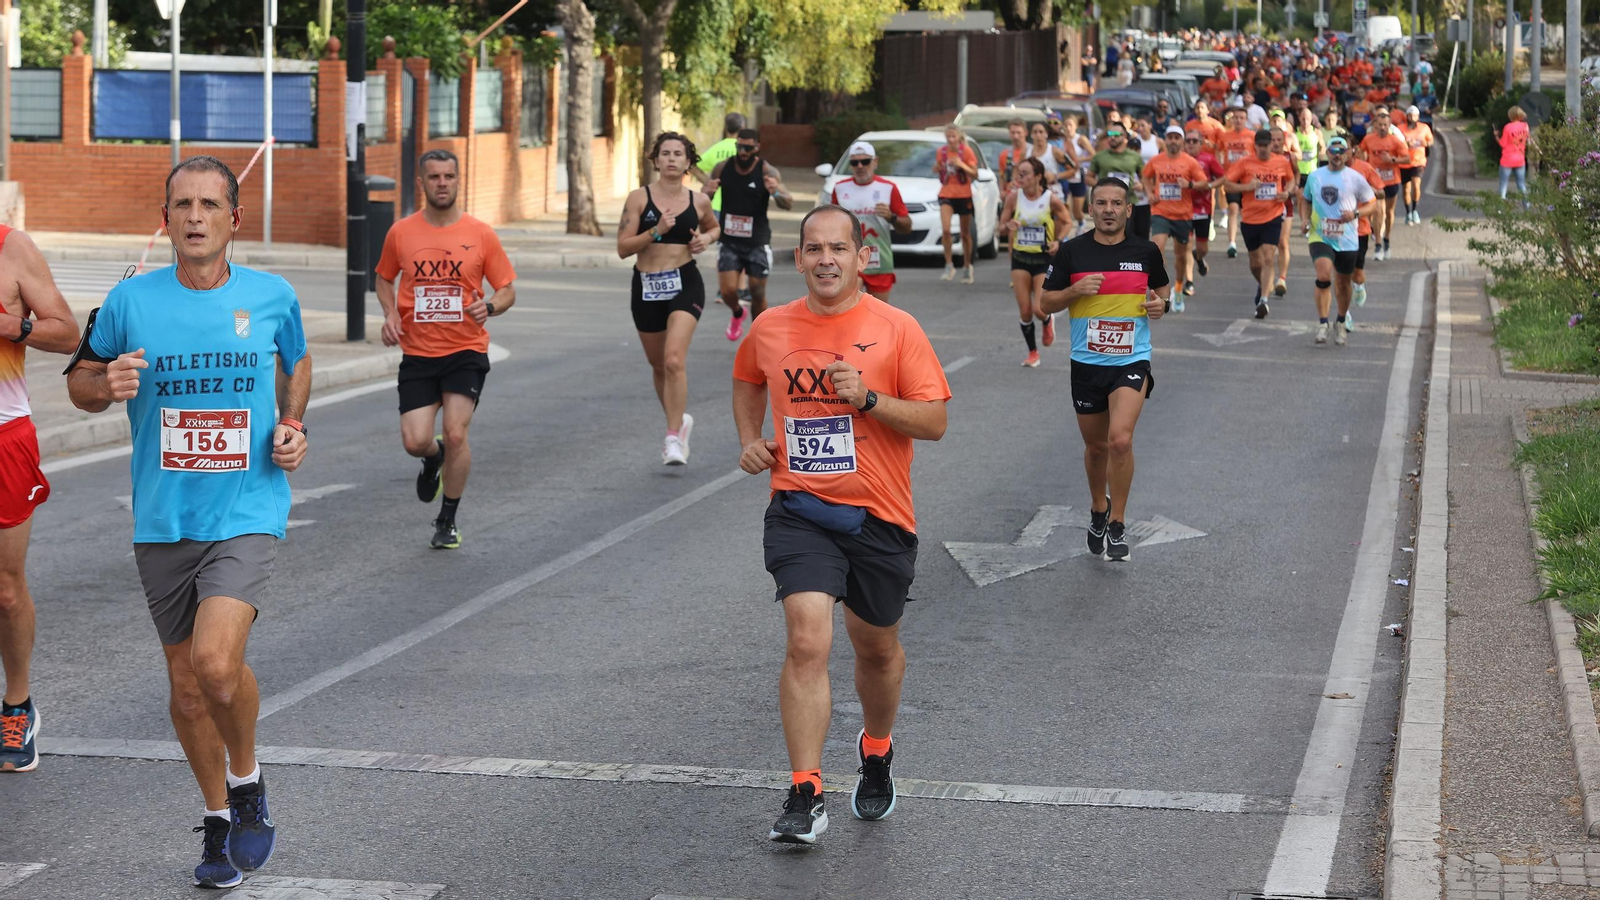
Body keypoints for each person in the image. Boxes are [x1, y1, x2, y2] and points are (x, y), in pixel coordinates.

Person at [65, 155, 309, 888]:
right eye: (182, 205)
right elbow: (79, 381)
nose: (195, 217)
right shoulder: (129, 300)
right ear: (165, 219)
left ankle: (248, 783)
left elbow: (295, 361)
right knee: (187, 686)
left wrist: (293, 423)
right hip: (164, 517)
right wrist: (104, 383)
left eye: (209, 205)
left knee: (215, 665)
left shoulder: (272, 295)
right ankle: (216, 819)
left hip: (247, 507)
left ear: (235, 218)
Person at [734, 204, 950, 846]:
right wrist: (750, 438)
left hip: (880, 515)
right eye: (813, 249)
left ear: (862, 257)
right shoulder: (771, 327)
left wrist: (870, 400)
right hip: (799, 508)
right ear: (799, 259)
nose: (825, 260)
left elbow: (935, 421)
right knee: (807, 641)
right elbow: (747, 379)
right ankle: (806, 792)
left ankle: (877, 749)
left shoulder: (896, 328)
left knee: (876, 649)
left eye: (838, 248)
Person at [375, 149, 516, 549]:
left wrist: (490, 306)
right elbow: (384, 278)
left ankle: (447, 519)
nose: (442, 183)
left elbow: (507, 289)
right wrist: (390, 314)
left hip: (465, 350)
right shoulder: (401, 232)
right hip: (419, 353)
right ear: (421, 183)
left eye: (449, 176)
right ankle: (432, 457)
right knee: (415, 441)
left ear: (458, 180)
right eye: (434, 177)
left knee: (456, 433)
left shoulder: (480, 234)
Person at [1038, 179, 1170, 563]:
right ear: (1090, 209)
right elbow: (1045, 303)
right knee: (1096, 448)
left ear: (1129, 210)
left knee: (1120, 441)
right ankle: (1099, 507)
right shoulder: (1072, 252)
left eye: (1116, 203)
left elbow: (1163, 291)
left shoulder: (1146, 251)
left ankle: (1118, 521)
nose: (1108, 209)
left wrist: (1162, 305)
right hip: (1086, 364)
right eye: (1101, 203)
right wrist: (1073, 292)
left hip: (1131, 360)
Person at [0, 228, 81, 775]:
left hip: (4, 437)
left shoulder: (12, 249)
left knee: (6, 590)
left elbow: (68, 332)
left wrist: (16, 326)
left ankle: (17, 706)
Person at [616, 132, 722, 466]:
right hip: (646, 285)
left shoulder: (698, 200)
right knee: (659, 365)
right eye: (666, 153)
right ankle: (679, 422)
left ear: (688, 162)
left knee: (674, 359)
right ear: (656, 160)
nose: (672, 158)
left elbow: (714, 228)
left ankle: (673, 437)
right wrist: (656, 231)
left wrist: (706, 239)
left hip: (685, 283)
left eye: (678, 153)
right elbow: (623, 248)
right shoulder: (639, 198)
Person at [703, 128, 794, 338]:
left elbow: (787, 203)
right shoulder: (722, 167)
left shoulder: (767, 171)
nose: (743, 152)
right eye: (739, 147)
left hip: (757, 241)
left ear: (757, 147)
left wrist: (776, 192)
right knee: (727, 291)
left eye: (747, 148)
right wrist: (707, 193)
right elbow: (704, 196)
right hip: (729, 240)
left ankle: (758, 334)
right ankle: (738, 312)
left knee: (757, 291)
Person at [1303, 136, 1379, 346]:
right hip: (1320, 235)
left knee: (1344, 282)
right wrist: (1305, 219)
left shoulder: (1356, 178)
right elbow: (1306, 200)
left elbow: (1372, 204)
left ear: (1347, 154)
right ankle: (1323, 323)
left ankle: (1341, 320)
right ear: (1327, 153)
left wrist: (1355, 214)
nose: (1337, 155)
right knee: (1323, 275)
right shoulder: (1315, 176)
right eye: (1333, 151)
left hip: (1347, 238)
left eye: (1341, 151)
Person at [1000, 158, 1071, 366]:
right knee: (1025, 311)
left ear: (1038, 176)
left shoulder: (1050, 199)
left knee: (1039, 309)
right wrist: (1008, 226)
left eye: (1025, 174)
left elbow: (1067, 221)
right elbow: (1001, 228)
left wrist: (1058, 241)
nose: (1019, 178)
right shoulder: (1014, 198)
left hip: (1043, 259)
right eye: (1018, 173)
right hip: (1020, 258)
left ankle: (1047, 320)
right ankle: (1033, 353)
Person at [1223, 128, 1296, 318]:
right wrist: (1246, 187)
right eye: (1260, 145)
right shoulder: (1244, 163)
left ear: (1272, 145)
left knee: (1269, 257)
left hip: (1273, 216)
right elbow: (1227, 185)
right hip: (1250, 218)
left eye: (1266, 145)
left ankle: (1263, 300)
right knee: (1256, 263)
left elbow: (1290, 180)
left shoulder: (1281, 162)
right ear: (1255, 146)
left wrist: (1287, 192)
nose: (1263, 149)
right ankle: (1263, 284)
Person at [829, 141, 912, 304]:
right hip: (850, 257)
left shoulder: (888, 188)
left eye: (865, 161)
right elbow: (831, 224)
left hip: (878, 258)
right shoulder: (840, 189)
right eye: (855, 162)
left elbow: (907, 227)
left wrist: (892, 217)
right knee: (848, 307)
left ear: (875, 162)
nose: (860, 166)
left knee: (878, 312)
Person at [1142, 125, 1211, 309]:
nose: (1173, 141)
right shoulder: (1156, 160)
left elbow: (1204, 182)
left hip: (1182, 215)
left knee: (1180, 256)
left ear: (1182, 141)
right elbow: (1146, 177)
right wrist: (1149, 193)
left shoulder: (1190, 162)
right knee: (1156, 249)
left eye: (1176, 138)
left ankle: (1179, 287)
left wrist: (1189, 184)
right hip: (1161, 212)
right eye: (1170, 137)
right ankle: (1160, 287)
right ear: (1165, 140)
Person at [1358, 107, 1407, 260]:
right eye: (1380, 124)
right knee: (1378, 211)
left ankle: (1387, 239)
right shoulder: (1369, 139)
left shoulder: (1395, 141)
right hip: (1375, 182)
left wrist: (1392, 159)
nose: (1382, 127)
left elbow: (1407, 159)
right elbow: (1361, 151)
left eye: (1385, 125)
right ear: (1375, 125)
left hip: (1392, 180)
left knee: (1389, 213)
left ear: (1389, 125)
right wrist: (1364, 164)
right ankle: (1378, 244)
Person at [934, 124, 980, 284]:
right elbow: (938, 169)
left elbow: (975, 173)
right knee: (946, 230)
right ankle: (949, 264)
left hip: (964, 194)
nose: (951, 139)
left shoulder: (966, 151)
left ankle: (967, 266)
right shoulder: (941, 152)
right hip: (946, 193)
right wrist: (937, 168)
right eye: (948, 136)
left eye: (953, 136)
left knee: (965, 233)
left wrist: (962, 165)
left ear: (958, 137)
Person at [1086, 125, 1149, 240]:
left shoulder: (1134, 157)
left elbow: (1145, 177)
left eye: (1116, 135)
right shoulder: (1100, 156)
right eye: (1110, 134)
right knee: (1107, 235)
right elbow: (1088, 178)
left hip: (1127, 202)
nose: (1112, 138)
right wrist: (1101, 186)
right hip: (1106, 203)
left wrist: (1141, 185)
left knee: (1127, 237)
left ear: (1124, 136)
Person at [1345, 151, 1386, 317]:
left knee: (1357, 273)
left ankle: (1359, 285)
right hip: (1337, 229)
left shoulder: (1364, 168)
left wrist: (1369, 191)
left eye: (1344, 149)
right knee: (1342, 273)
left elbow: (1381, 193)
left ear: (1352, 150)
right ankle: (1344, 314)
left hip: (1360, 228)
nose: (1339, 154)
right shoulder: (1328, 172)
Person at [1185, 130, 1226, 289]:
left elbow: (1222, 177)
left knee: (1202, 248)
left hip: (1203, 208)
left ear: (1201, 144)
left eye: (1194, 141)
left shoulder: (1208, 159)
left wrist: (1209, 186)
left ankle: (1199, 258)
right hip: (1183, 209)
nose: (1191, 144)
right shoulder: (1179, 159)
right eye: (1188, 141)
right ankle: (1189, 282)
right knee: (1187, 244)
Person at [1218, 106, 1258, 257]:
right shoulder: (1225, 136)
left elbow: (1258, 156)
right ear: (1232, 119)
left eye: (1242, 118)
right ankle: (1232, 243)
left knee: (1248, 212)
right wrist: (1220, 167)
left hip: (1248, 178)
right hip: (1232, 178)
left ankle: (1253, 242)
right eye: (1236, 118)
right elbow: (1219, 151)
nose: (1238, 120)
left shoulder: (1252, 136)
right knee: (1233, 208)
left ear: (1246, 120)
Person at [1060, 115, 1098, 234]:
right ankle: (1064, 231)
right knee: (1064, 207)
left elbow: (1093, 155)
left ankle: (1081, 222)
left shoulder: (1080, 139)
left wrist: (1078, 160)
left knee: (1077, 211)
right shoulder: (1061, 140)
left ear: (1076, 126)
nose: (1068, 128)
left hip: (1077, 175)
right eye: (1066, 125)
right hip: (1064, 174)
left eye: (1070, 125)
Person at [1397, 105, 1433, 225]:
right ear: (1406, 116)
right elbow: (1395, 142)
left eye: (1415, 116)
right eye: (1410, 115)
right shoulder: (1400, 129)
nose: (1412, 118)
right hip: (1404, 162)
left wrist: (1425, 143)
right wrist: (1405, 143)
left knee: (1416, 185)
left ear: (1418, 117)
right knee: (1406, 189)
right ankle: (1408, 213)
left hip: (1418, 161)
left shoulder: (1424, 128)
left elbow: (1431, 141)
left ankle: (1414, 210)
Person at [1294, 106, 1326, 226]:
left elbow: (1323, 147)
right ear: (1299, 118)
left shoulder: (1316, 133)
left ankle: (1311, 219)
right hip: (1299, 170)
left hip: (1312, 171)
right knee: (1300, 197)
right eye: (1303, 119)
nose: (1305, 121)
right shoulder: (1295, 134)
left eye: (1307, 119)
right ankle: (1304, 222)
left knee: (1313, 198)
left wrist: (1320, 155)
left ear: (1312, 119)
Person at [1496, 105, 1530, 203]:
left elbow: (1503, 143)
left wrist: (1496, 136)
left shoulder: (1507, 127)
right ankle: (1527, 206)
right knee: (1521, 185)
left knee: (1503, 185)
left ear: (1510, 115)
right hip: (1520, 159)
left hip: (1507, 160)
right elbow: (1527, 140)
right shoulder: (1525, 126)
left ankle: (1501, 208)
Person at [996, 119, 1031, 197]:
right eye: (1013, 133)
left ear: (1025, 133)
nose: (1016, 136)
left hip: (1029, 194)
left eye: (1019, 133)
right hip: (1010, 195)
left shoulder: (1032, 151)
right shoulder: (1004, 154)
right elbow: (1002, 176)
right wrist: (1002, 191)